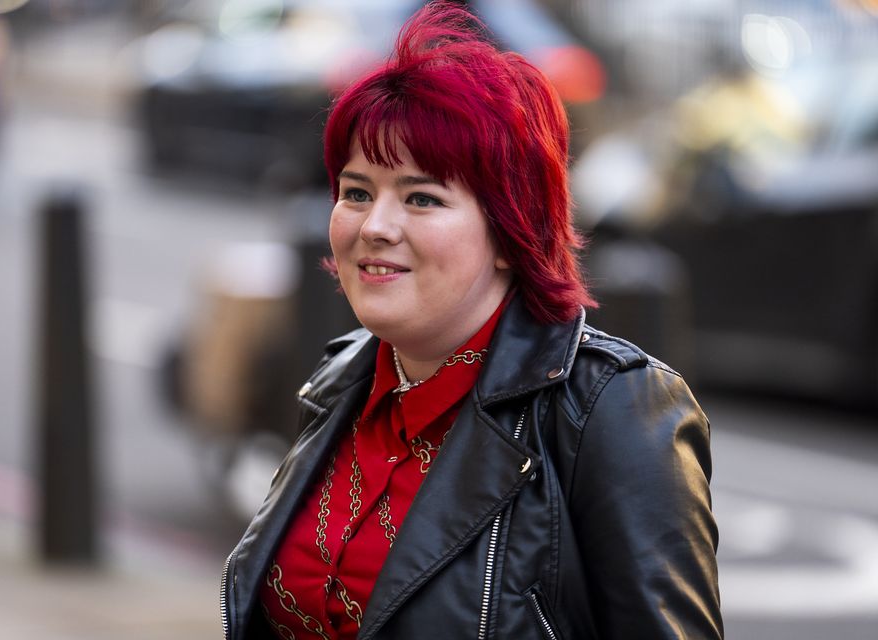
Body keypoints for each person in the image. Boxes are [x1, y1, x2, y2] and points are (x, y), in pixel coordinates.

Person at [221, 3, 722, 639]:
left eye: (422, 198)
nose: (374, 227)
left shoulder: (612, 407)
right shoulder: (339, 378)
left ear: (512, 231)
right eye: (356, 192)